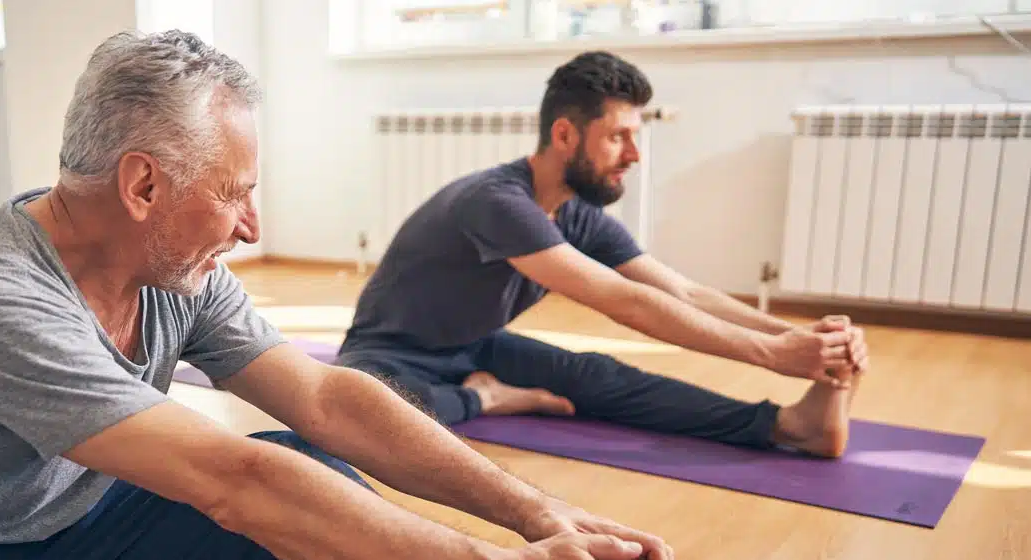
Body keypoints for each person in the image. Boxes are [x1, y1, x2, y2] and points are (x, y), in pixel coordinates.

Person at [0, 31, 705, 560]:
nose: (249, 223)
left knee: (303, 465)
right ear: (143, 186)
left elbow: (329, 403)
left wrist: (543, 522)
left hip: (64, 539)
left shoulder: (170, 272)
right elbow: (224, 481)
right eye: (233, 191)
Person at [335, 51, 868, 460]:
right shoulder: (497, 202)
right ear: (565, 135)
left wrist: (799, 340)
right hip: (390, 353)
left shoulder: (575, 212)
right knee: (364, 416)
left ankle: (791, 426)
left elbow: (681, 292)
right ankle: (491, 399)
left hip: (476, 346)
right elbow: (624, 301)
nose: (634, 156)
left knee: (598, 378)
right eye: (618, 138)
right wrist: (774, 357)